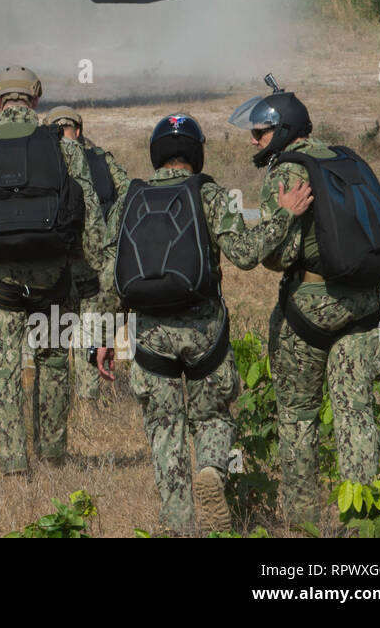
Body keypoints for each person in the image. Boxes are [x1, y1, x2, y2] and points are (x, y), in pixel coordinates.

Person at [94, 113, 311, 534]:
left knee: (163, 428)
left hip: (150, 335)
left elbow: (110, 278)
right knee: (213, 417)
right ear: (197, 153)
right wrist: (284, 215)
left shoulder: (128, 199)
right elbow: (246, 254)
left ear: (157, 153)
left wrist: (104, 334)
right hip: (204, 332)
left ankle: (177, 524)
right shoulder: (210, 194)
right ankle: (211, 469)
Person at [229, 81, 380, 526]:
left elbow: (278, 256)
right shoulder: (342, 157)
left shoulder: (286, 172)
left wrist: (282, 221)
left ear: (284, 130)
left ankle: (305, 522)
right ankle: (364, 518)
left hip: (311, 311)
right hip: (366, 306)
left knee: (297, 417)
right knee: (355, 411)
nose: (254, 141)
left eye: (261, 132)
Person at [0, 67, 108, 476]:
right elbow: (92, 220)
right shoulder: (64, 149)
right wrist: (92, 273)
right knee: (52, 364)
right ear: (35, 101)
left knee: (1, 371)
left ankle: (14, 467)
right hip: (53, 281)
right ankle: (52, 455)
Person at [46, 105, 129, 403]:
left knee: (54, 334)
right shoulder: (102, 159)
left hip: (57, 261)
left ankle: (56, 399)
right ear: (78, 131)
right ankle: (88, 399)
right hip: (97, 261)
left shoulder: (44, 164)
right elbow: (130, 194)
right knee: (91, 330)